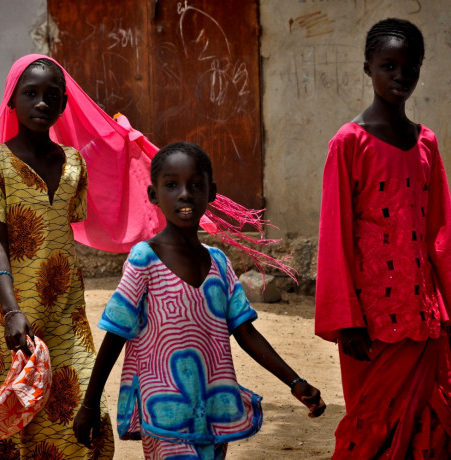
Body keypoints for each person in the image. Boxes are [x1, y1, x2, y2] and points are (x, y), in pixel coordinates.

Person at [73, 141, 326, 459]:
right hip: (164, 412)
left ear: (211, 192)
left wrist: (294, 381)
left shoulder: (219, 263)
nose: (184, 194)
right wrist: (90, 403)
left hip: (212, 412)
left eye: (195, 185)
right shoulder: (144, 260)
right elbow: (116, 335)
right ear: (154, 195)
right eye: (171, 185)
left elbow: (246, 332)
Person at [0, 56, 115, 458]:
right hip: (12, 312)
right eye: (30, 94)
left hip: (67, 308)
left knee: (83, 404)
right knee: (10, 410)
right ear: (11, 101)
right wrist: (12, 311)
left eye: (52, 96)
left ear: (64, 104)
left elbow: (69, 223)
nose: (42, 103)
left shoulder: (73, 164)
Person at [315, 18, 451, 458]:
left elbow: (440, 233)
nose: (400, 76)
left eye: (409, 67)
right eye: (388, 65)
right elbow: (335, 236)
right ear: (368, 68)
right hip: (370, 323)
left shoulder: (427, 143)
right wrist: (346, 319)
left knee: (429, 427)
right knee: (372, 429)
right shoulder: (349, 142)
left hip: (423, 314)